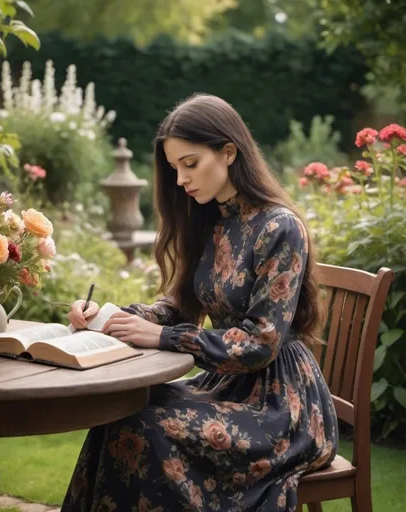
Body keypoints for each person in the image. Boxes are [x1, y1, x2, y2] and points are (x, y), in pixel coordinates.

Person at [61, 94, 338, 512]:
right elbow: (180, 306)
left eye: (190, 164)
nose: (180, 180)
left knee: (144, 427)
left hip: (281, 405)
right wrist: (113, 316)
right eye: (175, 168)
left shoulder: (280, 227)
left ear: (229, 152)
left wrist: (165, 337)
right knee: (119, 412)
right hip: (227, 386)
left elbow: (260, 344)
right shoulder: (212, 220)